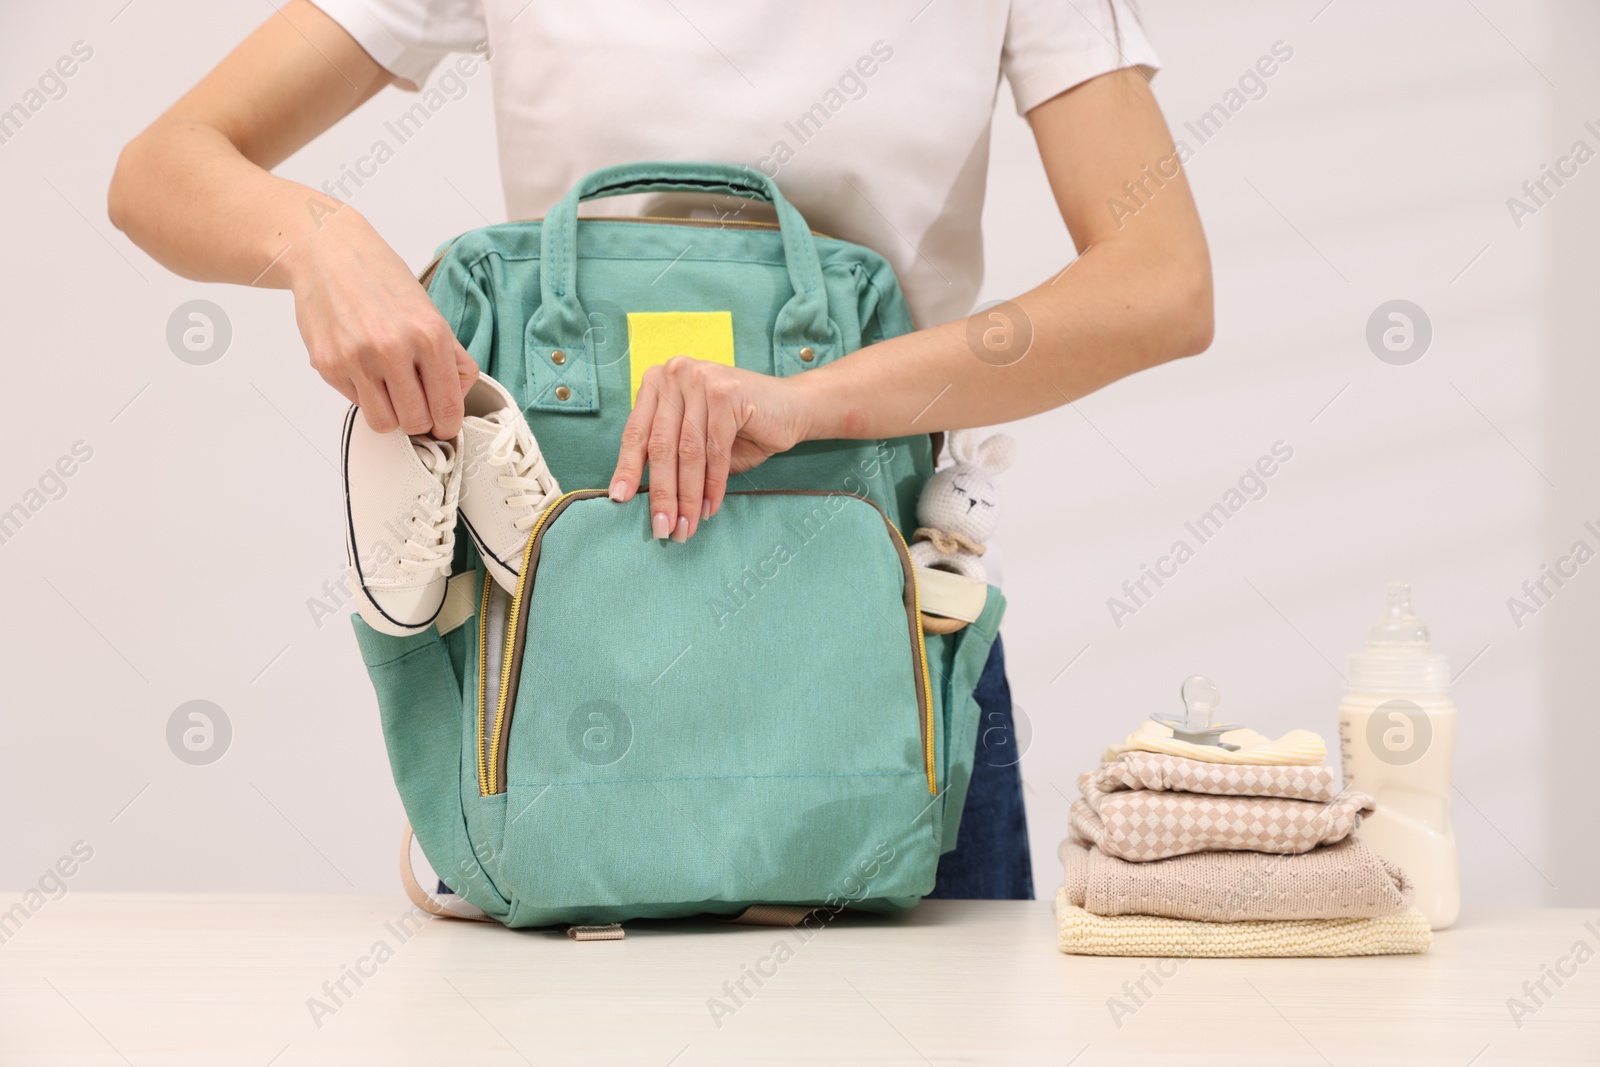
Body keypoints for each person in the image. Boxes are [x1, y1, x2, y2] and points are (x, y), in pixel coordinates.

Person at [107, 0, 1212, 900]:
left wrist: (810, 399)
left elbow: (1160, 284)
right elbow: (159, 165)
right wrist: (319, 237)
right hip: (561, 669)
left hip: (884, 668)